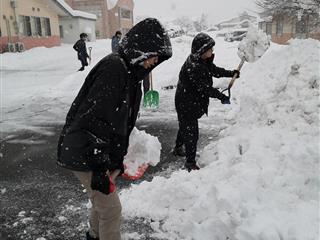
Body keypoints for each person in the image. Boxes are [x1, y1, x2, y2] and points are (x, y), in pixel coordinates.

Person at [57, 18, 172, 240]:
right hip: (85, 151)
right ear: (141, 50)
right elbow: (94, 120)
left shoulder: (130, 74)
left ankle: (94, 235)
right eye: (153, 56)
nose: (154, 62)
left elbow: (118, 121)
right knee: (111, 210)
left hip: (94, 152)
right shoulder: (115, 68)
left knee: (101, 204)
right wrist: (100, 165)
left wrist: (118, 157)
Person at [173, 32, 240, 172]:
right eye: (210, 49)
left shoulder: (202, 60)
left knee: (185, 125)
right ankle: (190, 163)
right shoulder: (195, 66)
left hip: (190, 101)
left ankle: (178, 147)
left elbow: (214, 70)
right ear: (202, 50)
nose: (212, 51)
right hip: (186, 102)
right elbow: (205, 89)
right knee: (191, 132)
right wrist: (222, 97)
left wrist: (231, 73)